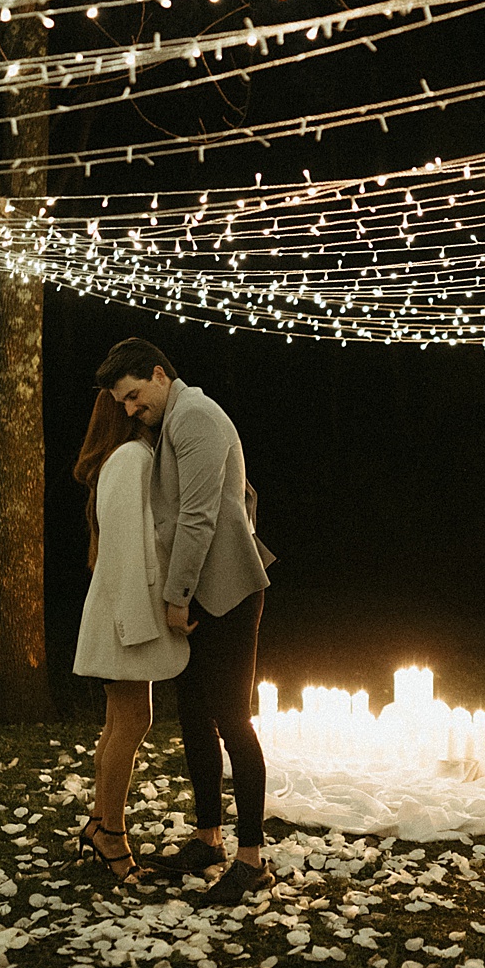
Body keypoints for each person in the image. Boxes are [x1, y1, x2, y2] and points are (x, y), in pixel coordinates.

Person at [96, 337, 278, 907]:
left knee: (232, 719)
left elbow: (197, 518)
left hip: (222, 595)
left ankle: (251, 859)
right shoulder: (177, 417)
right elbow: (241, 496)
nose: (129, 410)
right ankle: (208, 839)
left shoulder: (194, 417)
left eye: (132, 397)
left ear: (158, 373)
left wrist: (178, 598)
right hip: (200, 592)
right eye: (122, 403)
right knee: (195, 717)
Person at [70, 389, 190, 885]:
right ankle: (112, 834)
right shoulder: (131, 459)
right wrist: (139, 621)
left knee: (120, 721)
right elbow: (125, 550)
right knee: (132, 722)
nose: (140, 409)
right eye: (129, 404)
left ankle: (99, 821)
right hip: (125, 611)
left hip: (122, 608)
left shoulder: (130, 459)